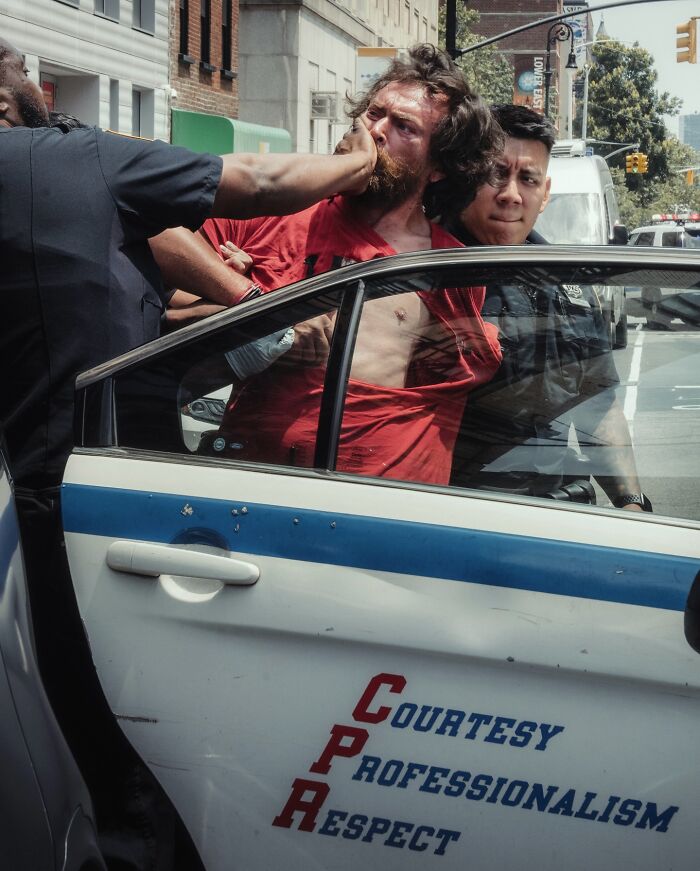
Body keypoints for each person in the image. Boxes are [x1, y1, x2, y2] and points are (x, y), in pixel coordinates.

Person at [1, 35, 375, 870]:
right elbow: (264, 181)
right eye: (20, 69)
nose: (35, 79)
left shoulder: (51, 186)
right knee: (133, 737)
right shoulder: (69, 158)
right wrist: (358, 161)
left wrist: (232, 308)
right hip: (99, 495)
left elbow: (96, 303)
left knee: (80, 730)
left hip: (36, 490)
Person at [162, 44, 504, 486]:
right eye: (374, 113)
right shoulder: (271, 212)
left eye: (404, 127)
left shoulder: (449, 270)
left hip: (376, 503)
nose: (376, 130)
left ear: (438, 167)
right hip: (253, 485)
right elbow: (158, 246)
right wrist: (248, 306)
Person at [446, 103, 646, 511]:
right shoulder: (428, 270)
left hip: (556, 515)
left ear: (545, 194)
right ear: (468, 177)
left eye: (528, 178)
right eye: (497, 173)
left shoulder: (566, 280)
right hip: (458, 514)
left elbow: (598, 405)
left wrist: (631, 503)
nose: (511, 195)